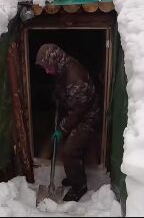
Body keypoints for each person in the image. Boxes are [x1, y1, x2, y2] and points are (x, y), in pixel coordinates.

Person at [35, 43, 100, 202]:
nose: (46, 71)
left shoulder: (75, 77)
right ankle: (74, 173)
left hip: (87, 116)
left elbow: (77, 112)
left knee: (68, 151)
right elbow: (62, 89)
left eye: (47, 66)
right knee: (67, 145)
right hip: (75, 110)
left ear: (55, 61)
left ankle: (79, 186)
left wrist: (62, 128)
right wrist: (58, 97)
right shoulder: (62, 68)